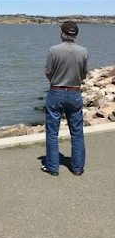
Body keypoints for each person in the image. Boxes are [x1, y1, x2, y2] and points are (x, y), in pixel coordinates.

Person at [42, 21, 88, 176]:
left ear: (61, 32)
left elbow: (48, 72)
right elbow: (84, 74)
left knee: (52, 132)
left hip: (56, 92)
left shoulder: (54, 50)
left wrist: (56, 81)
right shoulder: (83, 52)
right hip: (75, 93)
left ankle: (52, 167)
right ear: (76, 34)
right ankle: (77, 168)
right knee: (77, 132)